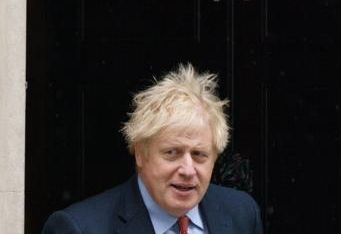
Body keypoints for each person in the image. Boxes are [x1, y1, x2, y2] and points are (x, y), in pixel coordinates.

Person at [42, 64, 263, 234]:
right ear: (140, 153)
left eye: (199, 155)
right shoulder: (79, 228)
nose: (188, 169)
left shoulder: (241, 214)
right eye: (172, 153)